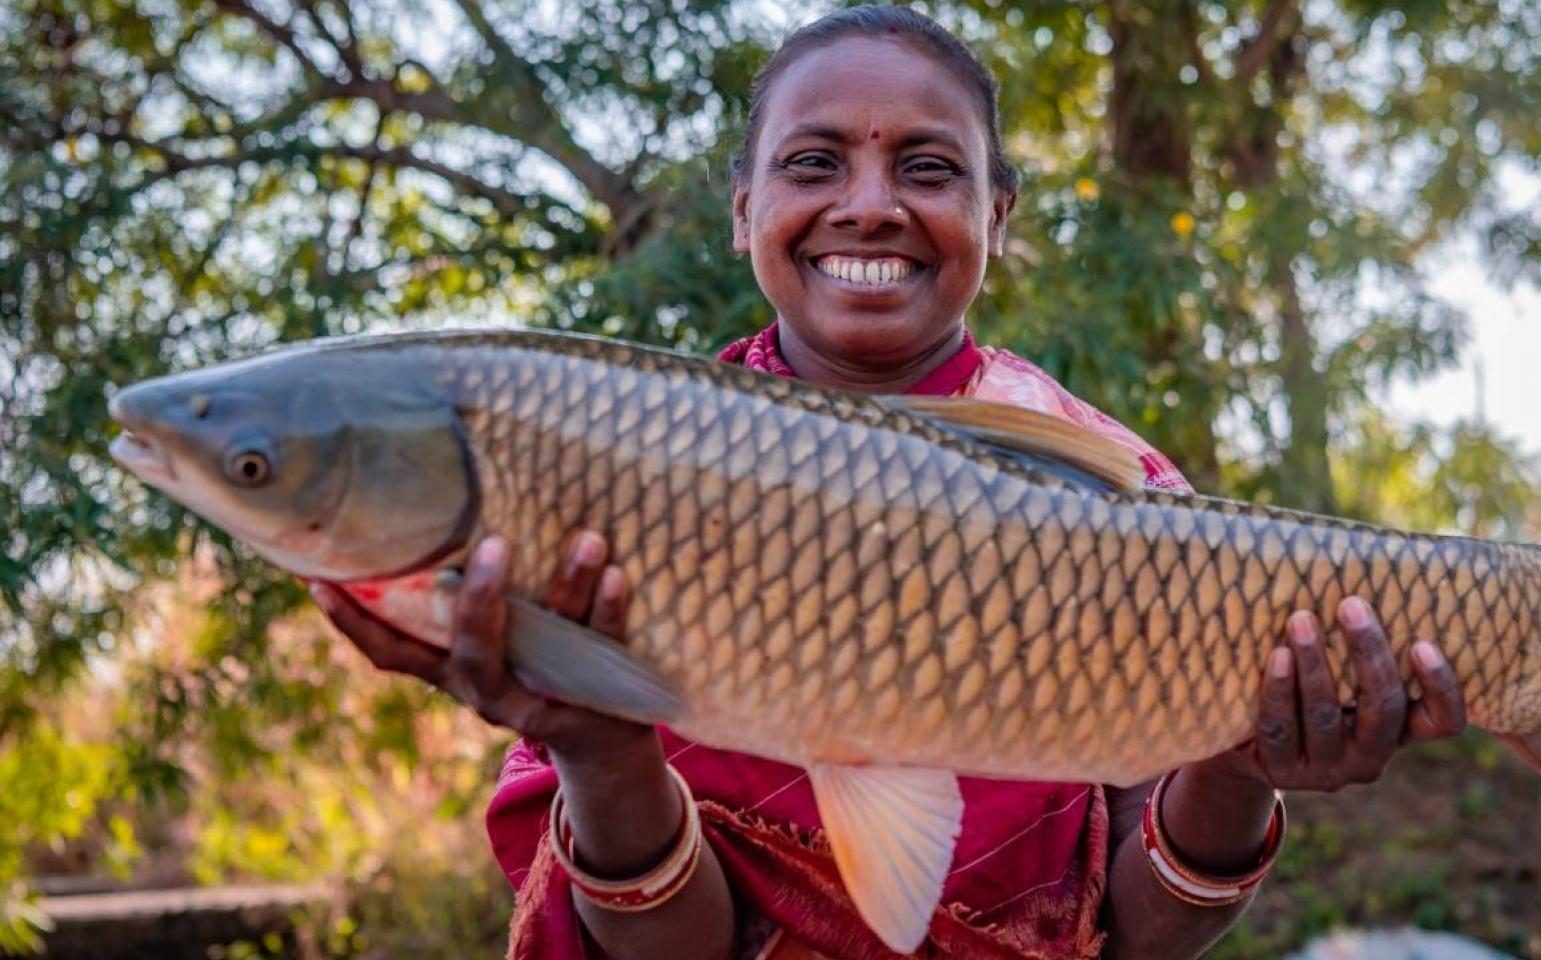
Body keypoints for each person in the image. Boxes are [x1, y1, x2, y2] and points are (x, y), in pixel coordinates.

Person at [310, 7, 1467, 959]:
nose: (869, 203)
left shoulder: (1123, 489)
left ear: (993, 218)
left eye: (927, 167)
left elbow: (1145, 936)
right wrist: (605, 749)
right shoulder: (613, 470)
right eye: (815, 163)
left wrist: (1239, 760)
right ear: (743, 211)